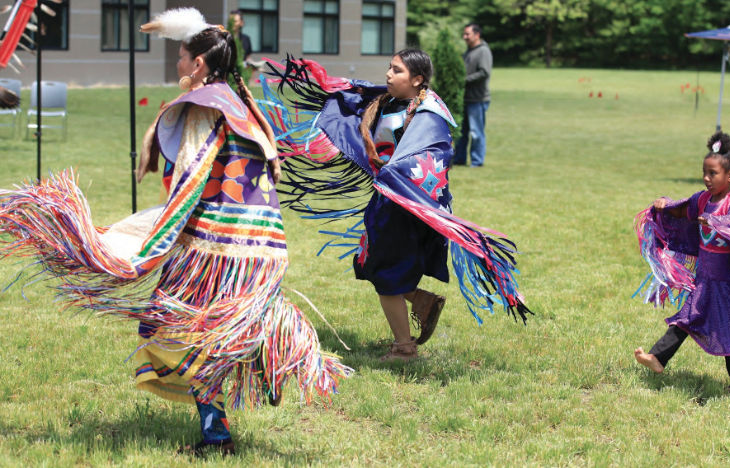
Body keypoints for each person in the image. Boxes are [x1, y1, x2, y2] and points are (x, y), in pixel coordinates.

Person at [0, 7, 350, 456]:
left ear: (198, 65)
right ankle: (254, 386)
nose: (179, 66)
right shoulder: (242, 104)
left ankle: (247, 396)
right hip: (264, 247)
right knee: (209, 335)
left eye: (182, 58)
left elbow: (190, 178)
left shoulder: (202, 107)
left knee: (178, 334)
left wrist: (149, 247)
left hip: (217, 252)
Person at [256, 49, 531, 362]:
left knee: (385, 273)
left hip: (405, 204)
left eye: (397, 70)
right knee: (370, 264)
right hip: (386, 198)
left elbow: (429, 157)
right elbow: (353, 100)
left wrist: (393, 176)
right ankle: (420, 302)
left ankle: (404, 348)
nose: (388, 74)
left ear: (417, 79)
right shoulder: (384, 102)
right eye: (389, 68)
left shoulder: (429, 114)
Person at [632, 131, 730, 389]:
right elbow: (682, 209)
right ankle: (660, 358)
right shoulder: (703, 200)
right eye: (705, 172)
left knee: (720, 329)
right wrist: (664, 205)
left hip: (724, 284)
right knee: (690, 320)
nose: (706, 178)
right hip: (705, 279)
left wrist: (717, 222)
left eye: (713, 173)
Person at [453, 23, 492, 168]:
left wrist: (463, 80)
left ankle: (476, 161)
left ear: (477, 35)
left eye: (467, 34)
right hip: (466, 98)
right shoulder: (469, 52)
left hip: (478, 99)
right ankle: (459, 159)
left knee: (476, 132)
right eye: (464, 34)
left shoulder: (483, 51)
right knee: (462, 132)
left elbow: (484, 72)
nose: (464, 37)